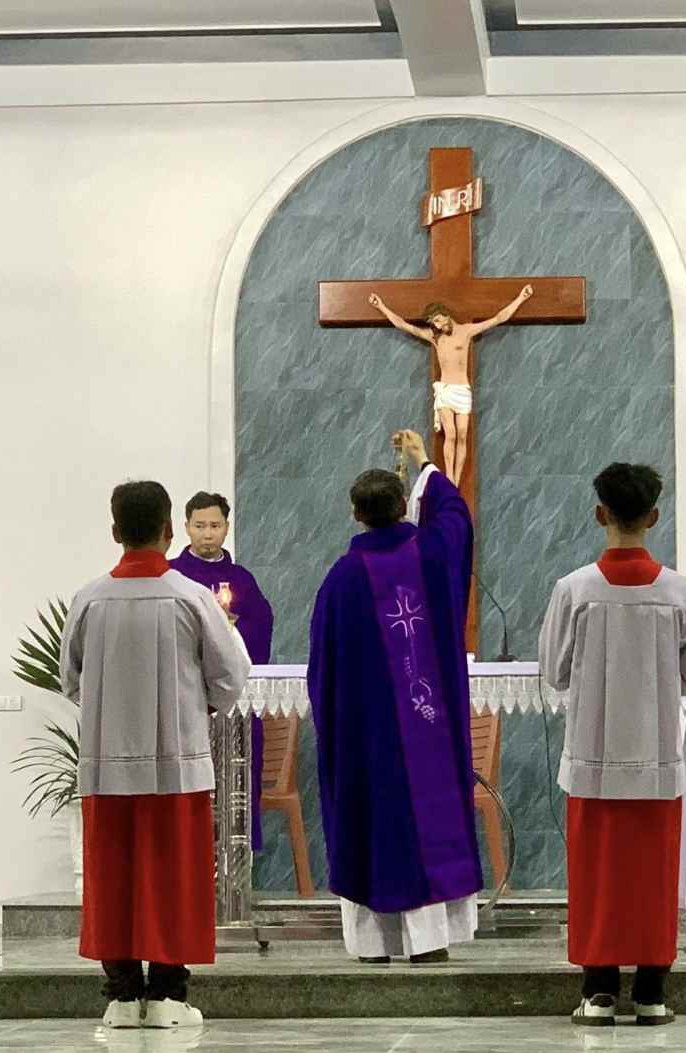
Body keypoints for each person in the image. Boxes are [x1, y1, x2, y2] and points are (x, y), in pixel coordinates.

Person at [61, 480, 252, 1028]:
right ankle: (168, 997)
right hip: (177, 763)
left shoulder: (89, 599)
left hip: (106, 765)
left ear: (115, 531)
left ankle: (122, 998)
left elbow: (70, 680)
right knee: (175, 877)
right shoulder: (191, 597)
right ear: (170, 530)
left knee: (113, 877)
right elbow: (230, 677)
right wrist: (197, 708)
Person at [538, 462, 686, 1027]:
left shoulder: (574, 590)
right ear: (654, 517)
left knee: (598, 876)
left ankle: (599, 993)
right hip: (657, 758)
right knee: (653, 876)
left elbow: (554, 672)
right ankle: (652, 993)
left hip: (594, 756)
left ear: (599, 514)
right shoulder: (681, 592)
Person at [308, 429, 480, 965]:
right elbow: (456, 517)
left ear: (355, 514)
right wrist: (424, 462)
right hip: (429, 733)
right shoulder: (432, 554)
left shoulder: (341, 581)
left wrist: (338, 731)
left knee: (375, 826)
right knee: (427, 820)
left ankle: (374, 945)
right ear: (404, 506)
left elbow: (323, 671)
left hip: (370, 743)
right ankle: (429, 942)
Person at [171, 490, 275, 853]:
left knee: (237, 777)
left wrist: (231, 628)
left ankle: (236, 855)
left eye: (214, 526)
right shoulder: (173, 575)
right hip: (186, 699)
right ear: (186, 527)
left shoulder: (241, 579)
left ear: (226, 528)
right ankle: (185, 856)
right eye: (199, 526)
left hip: (232, 706)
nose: (207, 533)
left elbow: (262, 625)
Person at [367, 286, 534, 484]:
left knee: (462, 435)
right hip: (445, 390)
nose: (437, 326)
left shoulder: (466, 331)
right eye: (434, 323)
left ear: (446, 315)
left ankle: (456, 479)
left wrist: (521, 298)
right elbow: (404, 325)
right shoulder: (435, 338)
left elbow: (498, 318)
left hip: (462, 391)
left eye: (438, 320)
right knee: (451, 435)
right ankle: (450, 477)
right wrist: (381, 307)